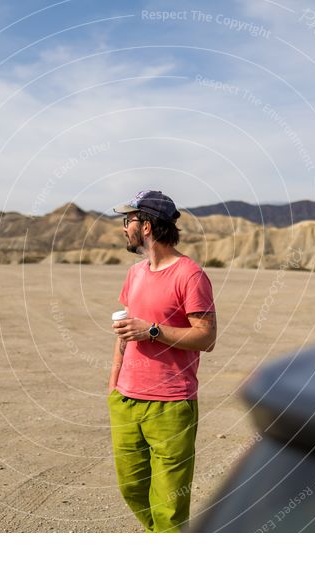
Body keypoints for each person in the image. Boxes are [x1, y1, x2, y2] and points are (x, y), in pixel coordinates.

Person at [108, 190, 217, 532]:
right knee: (132, 488)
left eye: (130, 220)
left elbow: (207, 337)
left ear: (148, 226)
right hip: (126, 399)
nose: (125, 227)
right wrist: (113, 384)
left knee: (169, 507)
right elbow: (125, 332)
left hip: (171, 405)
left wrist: (153, 331)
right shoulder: (136, 274)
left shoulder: (190, 275)